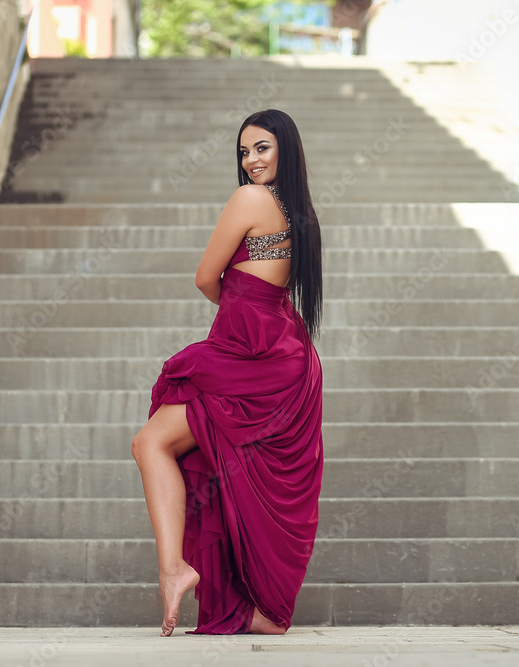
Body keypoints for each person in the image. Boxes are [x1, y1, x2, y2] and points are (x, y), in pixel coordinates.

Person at [131, 109, 324, 637]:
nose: (251, 161)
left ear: (285, 148)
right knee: (201, 458)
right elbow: (253, 276)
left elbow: (205, 277)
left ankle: (174, 569)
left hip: (255, 351)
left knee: (152, 443)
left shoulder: (251, 199)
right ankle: (253, 608)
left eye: (261, 148)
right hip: (282, 352)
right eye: (244, 152)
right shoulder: (293, 210)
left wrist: (234, 309)